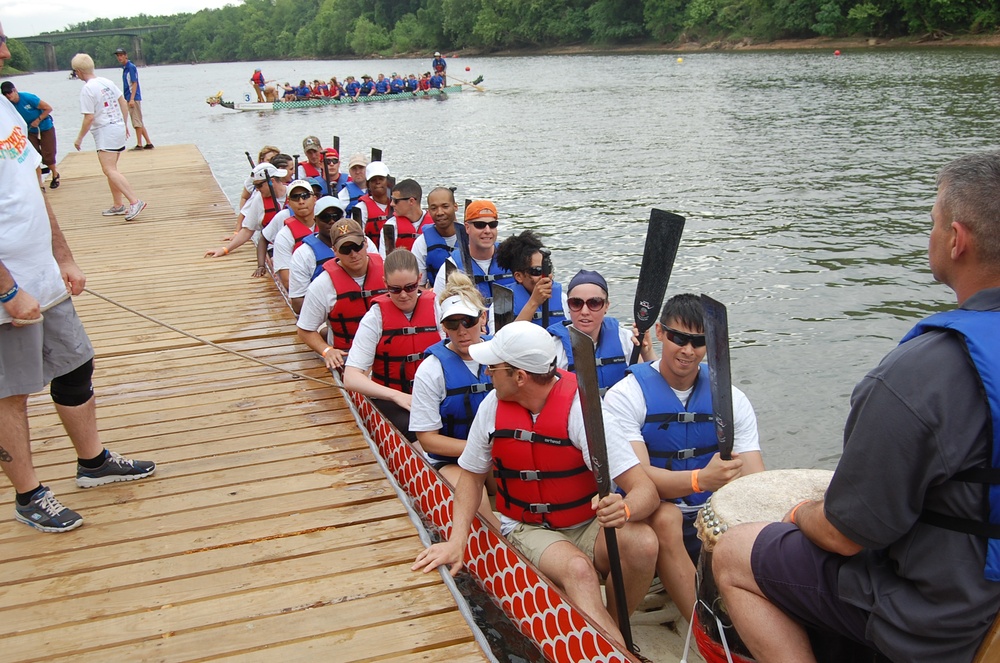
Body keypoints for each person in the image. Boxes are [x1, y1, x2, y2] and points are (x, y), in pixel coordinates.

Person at [713, 151, 1000, 663]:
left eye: (932, 221)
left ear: (957, 239)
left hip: (948, 621)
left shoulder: (924, 373)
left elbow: (847, 534)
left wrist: (801, 512)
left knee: (735, 553)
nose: (929, 233)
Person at [412, 320, 660, 647]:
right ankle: (615, 647)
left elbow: (646, 492)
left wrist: (624, 509)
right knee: (578, 570)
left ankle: (610, 634)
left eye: (493, 367)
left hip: (586, 524)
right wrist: (457, 541)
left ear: (520, 376)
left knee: (643, 543)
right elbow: (471, 479)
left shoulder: (581, 411)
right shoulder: (491, 409)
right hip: (528, 526)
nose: (486, 372)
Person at [0, 23, 156, 533]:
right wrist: (6, 289)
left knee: (75, 365)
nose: (5, 50)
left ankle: (92, 463)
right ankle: (29, 495)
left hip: (42, 274)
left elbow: (30, 187)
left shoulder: (4, 108)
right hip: (8, 288)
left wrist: (63, 256)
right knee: (9, 394)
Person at [603, 292, 763, 624]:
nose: (688, 350)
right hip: (649, 514)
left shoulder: (731, 398)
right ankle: (704, 626)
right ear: (659, 332)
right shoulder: (626, 395)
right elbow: (641, 478)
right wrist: (700, 479)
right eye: (678, 338)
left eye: (698, 342)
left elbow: (754, 478)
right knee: (666, 517)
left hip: (708, 515)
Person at [410, 271, 499, 527]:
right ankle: (502, 543)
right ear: (443, 327)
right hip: (451, 458)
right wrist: (479, 450)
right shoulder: (431, 369)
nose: (461, 331)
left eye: (468, 321)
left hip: (496, 452)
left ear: (482, 318)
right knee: (477, 499)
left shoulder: (499, 355)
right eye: (452, 324)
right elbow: (427, 439)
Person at [343, 249, 439, 441]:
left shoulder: (439, 308)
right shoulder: (374, 318)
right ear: (385, 283)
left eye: (410, 287)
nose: (403, 295)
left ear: (420, 279)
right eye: (395, 289)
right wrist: (397, 396)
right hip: (392, 400)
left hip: (433, 396)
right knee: (418, 434)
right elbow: (351, 378)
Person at [297, 219, 387, 371]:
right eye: (345, 249)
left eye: (356, 246)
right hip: (349, 355)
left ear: (365, 243)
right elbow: (304, 330)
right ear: (335, 251)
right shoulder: (322, 285)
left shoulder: (388, 271)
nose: (353, 254)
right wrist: (327, 351)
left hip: (388, 350)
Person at [549, 270, 654, 395]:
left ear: (606, 306)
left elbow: (653, 386)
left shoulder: (626, 340)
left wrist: (648, 352)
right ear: (568, 306)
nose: (584, 311)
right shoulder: (553, 346)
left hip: (618, 412)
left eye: (594, 303)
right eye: (576, 303)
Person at [70, 53, 146, 222]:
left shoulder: (87, 89)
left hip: (105, 131)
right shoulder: (107, 82)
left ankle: (134, 201)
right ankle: (118, 204)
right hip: (117, 127)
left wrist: (79, 138)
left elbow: (89, 117)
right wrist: (123, 123)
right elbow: (123, 102)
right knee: (112, 169)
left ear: (79, 72)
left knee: (109, 169)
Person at [206, 162, 287, 276]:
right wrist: (225, 249)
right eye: (255, 186)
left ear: (272, 181)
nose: (257, 190)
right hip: (273, 247)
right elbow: (247, 230)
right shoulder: (259, 200)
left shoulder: (294, 195)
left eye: (259, 185)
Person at [432, 200, 515, 305]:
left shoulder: (512, 259)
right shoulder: (451, 268)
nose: (487, 230)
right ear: (467, 227)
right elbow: (438, 309)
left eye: (493, 224)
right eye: (480, 225)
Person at [289, 196, 349, 314]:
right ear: (315, 220)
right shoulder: (303, 254)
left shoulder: (362, 245)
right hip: (321, 316)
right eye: (325, 217)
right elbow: (297, 303)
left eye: (336, 216)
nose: (331, 221)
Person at [496, 229, 566, 327]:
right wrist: (534, 302)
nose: (546, 277)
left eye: (548, 269)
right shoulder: (502, 304)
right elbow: (503, 340)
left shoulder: (563, 298)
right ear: (519, 276)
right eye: (537, 271)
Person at [1, 81, 60, 189]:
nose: (9, 96)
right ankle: (40, 184)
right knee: (33, 154)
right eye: (6, 94)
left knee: (48, 152)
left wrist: (38, 119)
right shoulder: (8, 105)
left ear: (15, 91)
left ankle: (55, 174)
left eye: (10, 93)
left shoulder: (28, 98)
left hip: (44, 126)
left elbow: (48, 108)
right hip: (29, 129)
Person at [271, 179, 319, 291]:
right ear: (289, 203)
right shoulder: (284, 236)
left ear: (315, 199)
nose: (301, 201)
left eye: (305, 196)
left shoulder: (328, 227)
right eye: (295, 197)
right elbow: (287, 281)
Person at [412, 186, 459, 285]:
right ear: (428, 210)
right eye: (434, 208)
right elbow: (418, 286)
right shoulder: (422, 243)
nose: (440, 213)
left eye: (445, 206)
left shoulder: (469, 238)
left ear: (455, 207)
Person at [113, 48, 152, 150]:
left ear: (126, 55)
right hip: (129, 97)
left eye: (121, 55)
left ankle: (139, 144)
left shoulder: (130, 67)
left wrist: (131, 99)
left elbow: (134, 83)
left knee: (136, 121)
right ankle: (148, 142)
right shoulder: (125, 68)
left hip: (133, 97)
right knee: (138, 120)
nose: (119, 57)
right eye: (118, 56)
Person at [381, 178, 433, 254]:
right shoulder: (390, 226)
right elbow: (384, 260)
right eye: (391, 199)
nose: (391, 204)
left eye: (395, 200)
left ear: (411, 201)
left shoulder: (435, 223)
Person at [357, 161, 393, 248]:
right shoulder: (361, 208)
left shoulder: (397, 205)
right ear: (368, 184)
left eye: (381, 179)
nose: (377, 182)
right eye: (373, 180)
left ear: (388, 182)